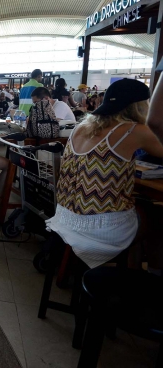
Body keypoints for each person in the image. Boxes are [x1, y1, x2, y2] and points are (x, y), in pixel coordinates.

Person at [46, 78, 163, 268]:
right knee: (156, 218)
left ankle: (126, 273)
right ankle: (149, 279)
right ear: (140, 106)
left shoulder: (80, 127)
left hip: (64, 219)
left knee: (138, 211)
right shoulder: (133, 130)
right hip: (100, 230)